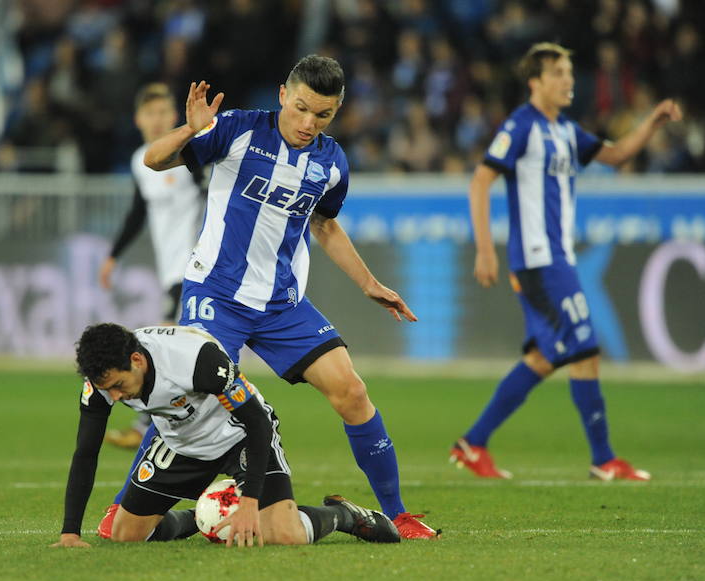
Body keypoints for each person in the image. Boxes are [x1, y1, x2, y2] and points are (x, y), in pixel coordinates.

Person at [116, 54, 437, 539]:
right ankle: (128, 504)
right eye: (302, 108)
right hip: (216, 294)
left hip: (281, 304)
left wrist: (369, 283)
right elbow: (154, 159)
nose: (309, 123)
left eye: (323, 115)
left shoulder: (332, 162)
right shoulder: (239, 130)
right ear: (284, 95)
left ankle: (396, 514)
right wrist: (190, 129)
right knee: (192, 393)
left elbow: (325, 225)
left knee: (352, 392)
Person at [450, 42, 682, 480]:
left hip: (559, 259)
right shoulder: (521, 126)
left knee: (545, 356)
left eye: (570, 71)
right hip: (539, 260)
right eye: (558, 71)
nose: (568, 80)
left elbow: (614, 155)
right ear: (535, 81)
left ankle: (472, 443)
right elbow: (481, 181)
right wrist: (485, 248)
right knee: (586, 347)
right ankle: (604, 460)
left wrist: (650, 123)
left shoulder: (566, 131)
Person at [50, 323, 401, 548]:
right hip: (180, 443)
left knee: (284, 536)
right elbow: (86, 453)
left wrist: (249, 503)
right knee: (125, 535)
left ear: (137, 360)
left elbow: (257, 423)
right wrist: (70, 532)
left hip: (238, 435)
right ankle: (207, 519)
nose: (114, 397)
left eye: (118, 386)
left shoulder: (195, 360)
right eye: (106, 389)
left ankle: (343, 515)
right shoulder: (100, 383)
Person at [98, 83, 205, 450]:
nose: (158, 120)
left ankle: (148, 425)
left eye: (164, 113)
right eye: (151, 114)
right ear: (138, 119)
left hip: (196, 266)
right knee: (178, 347)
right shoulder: (141, 162)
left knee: (163, 342)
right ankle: (178, 423)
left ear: (174, 116)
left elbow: (212, 194)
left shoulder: (192, 152)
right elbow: (138, 211)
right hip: (170, 270)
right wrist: (113, 255)